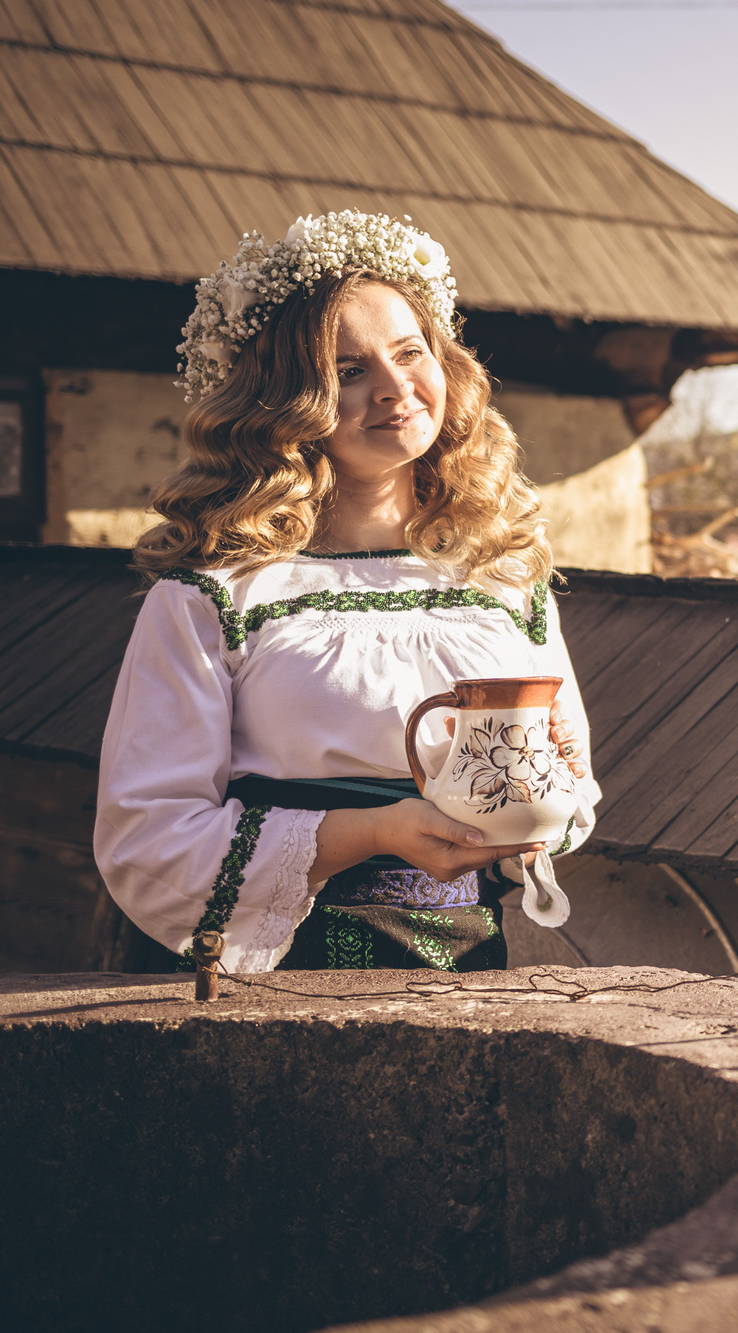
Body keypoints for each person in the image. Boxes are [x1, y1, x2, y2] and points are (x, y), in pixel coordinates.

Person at [95, 211, 598, 975]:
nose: (396, 389)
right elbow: (147, 836)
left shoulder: (502, 579)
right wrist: (374, 831)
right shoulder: (216, 594)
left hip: (464, 963)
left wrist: (540, 810)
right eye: (349, 370)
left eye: (409, 352)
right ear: (288, 399)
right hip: (278, 971)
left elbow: (572, 788)